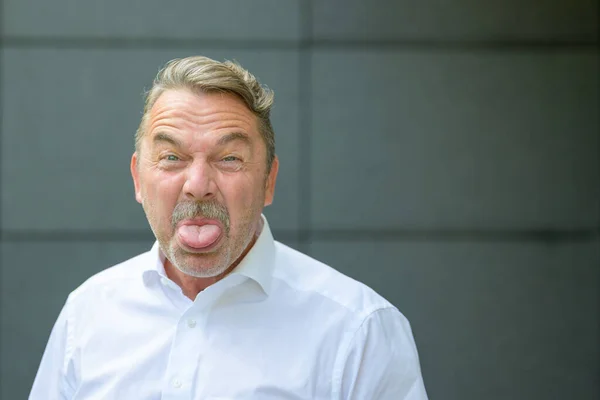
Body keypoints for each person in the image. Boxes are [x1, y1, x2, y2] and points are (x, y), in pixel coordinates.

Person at [30, 56, 428, 399]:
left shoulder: (358, 330)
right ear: (138, 178)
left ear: (268, 181)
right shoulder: (87, 314)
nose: (198, 185)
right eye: (171, 157)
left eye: (230, 159)